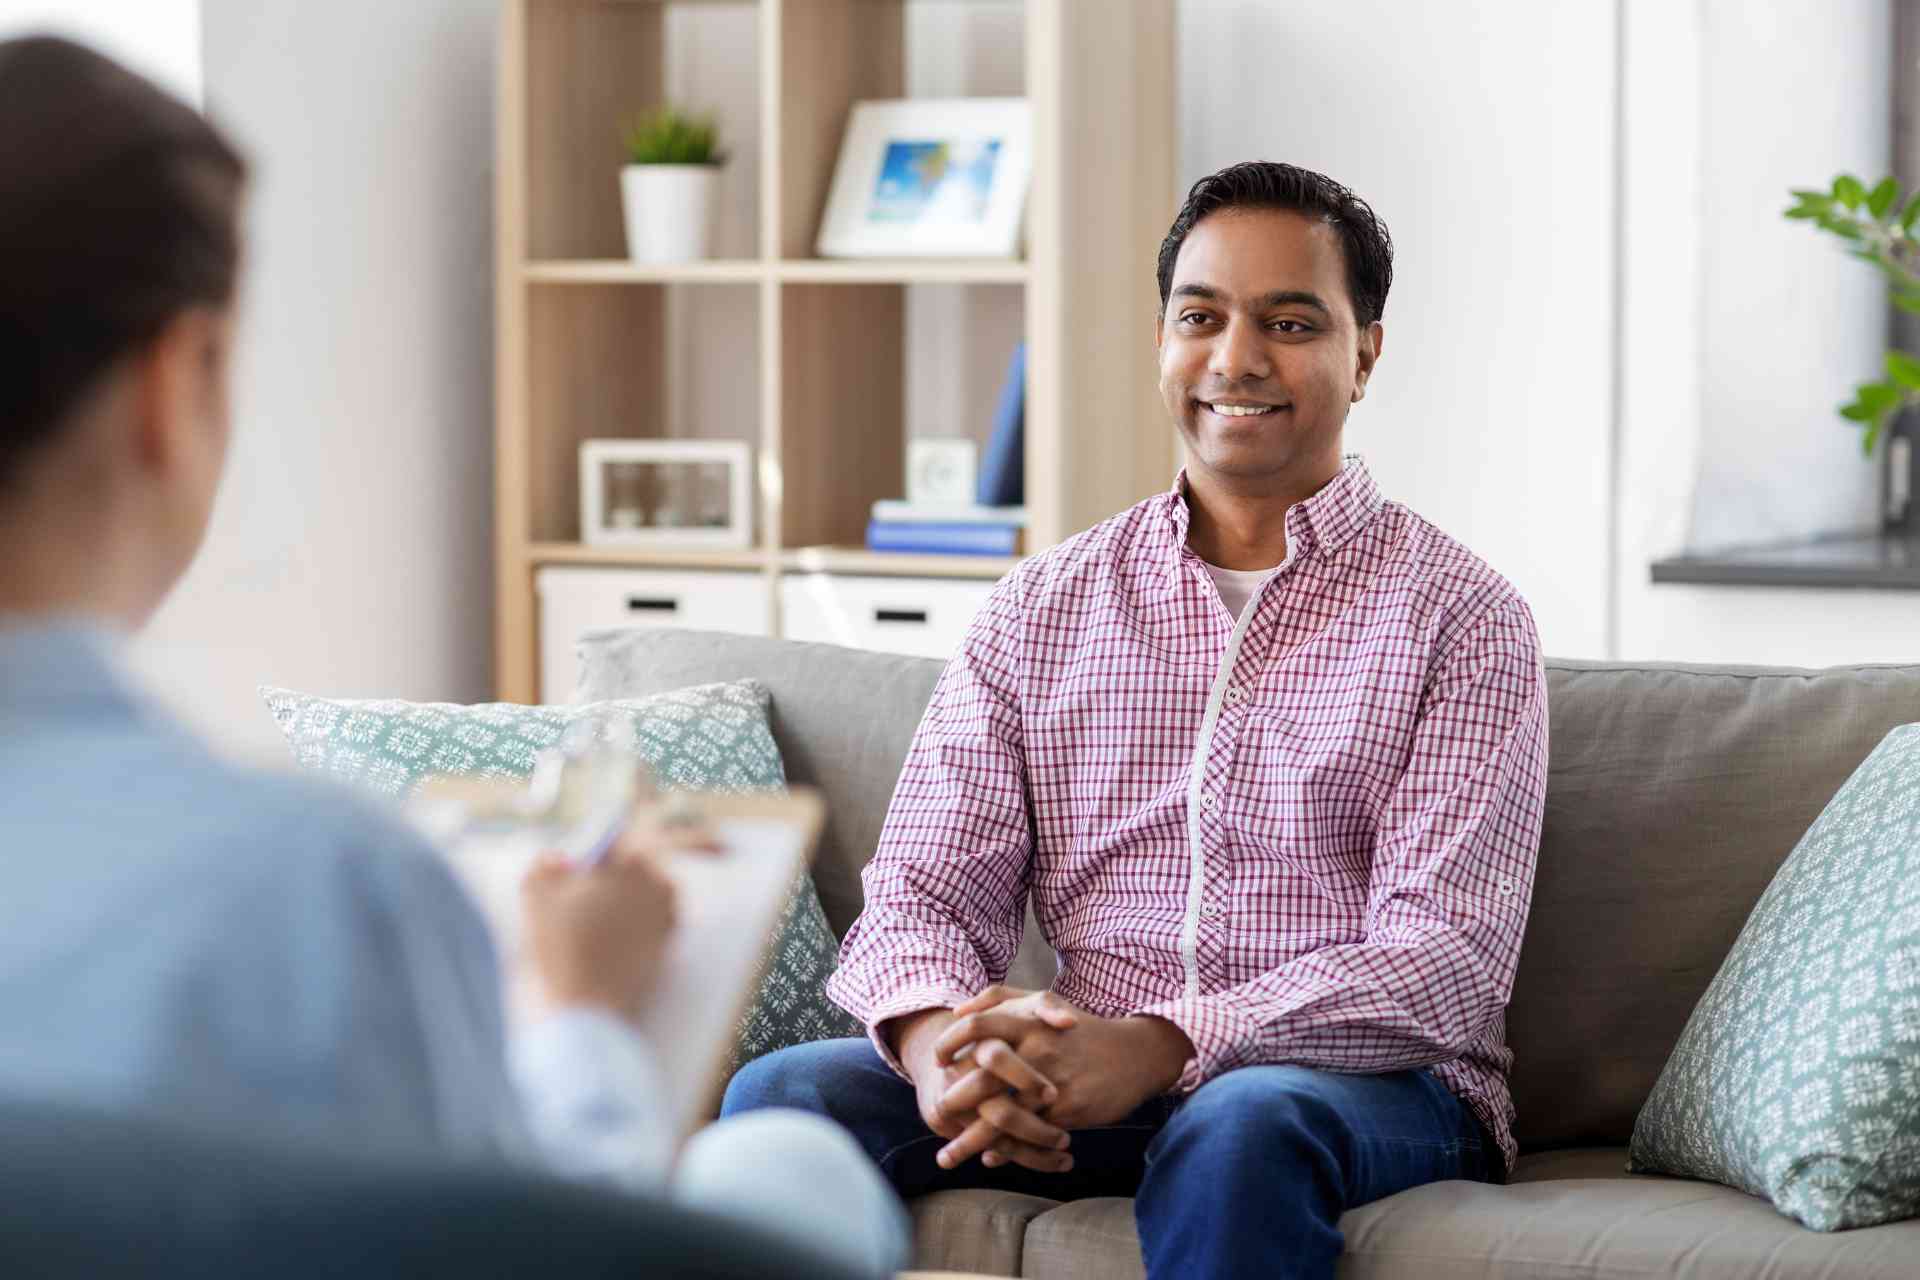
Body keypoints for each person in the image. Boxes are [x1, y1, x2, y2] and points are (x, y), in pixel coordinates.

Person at [0, 35, 905, 1278]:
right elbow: (532, 1247)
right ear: (176, 384)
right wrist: (584, 1015)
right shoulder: (316, 890)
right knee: (792, 1175)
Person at [723, 159, 1550, 1279]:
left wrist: (1165, 1044)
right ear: (1163, 341)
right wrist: (937, 1048)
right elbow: (921, 890)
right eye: (1200, 316)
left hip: (1362, 1087)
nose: (1237, 357)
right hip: (1084, 1072)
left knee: (1243, 1120)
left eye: (1291, 320)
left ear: (1365, 352)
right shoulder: (1043, 605)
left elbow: (1441, 962)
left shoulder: (1462, 617)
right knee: (783, 1095)